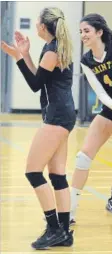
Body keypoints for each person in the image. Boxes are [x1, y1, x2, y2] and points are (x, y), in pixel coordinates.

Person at [1, 7, 75, 249]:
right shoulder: (53, 47)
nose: (35, 26)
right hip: (61, 114)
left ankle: (54, 228)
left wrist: (18, 57)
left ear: (43, 26)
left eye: (36, 22)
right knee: (57, 174)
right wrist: (24, 54)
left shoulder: (53, 51)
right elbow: (40, 77)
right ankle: (64, 231)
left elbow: (34, 84)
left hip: (57, 115)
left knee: (33, 172)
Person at [70, 13, 112, 223]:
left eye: (86, 31)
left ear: (99, 32)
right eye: (81, 32)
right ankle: (69, 212)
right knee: (83, 156)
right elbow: (99, 91)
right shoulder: (86, 60)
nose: (83, 35)